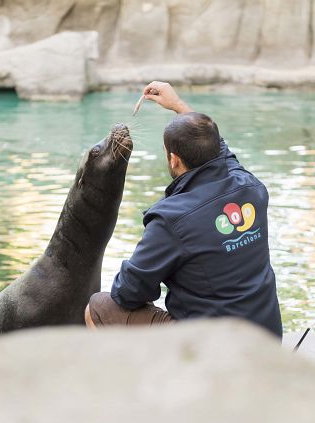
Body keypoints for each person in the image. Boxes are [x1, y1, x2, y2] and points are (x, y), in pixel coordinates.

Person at [85, 81, 282, 339]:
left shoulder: (171, 219)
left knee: (98, 307)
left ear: (174, 159)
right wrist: (177, 105)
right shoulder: (251, 186)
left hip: (215, 348)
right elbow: (218, 147)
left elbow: (128, 292)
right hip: (267, 338)